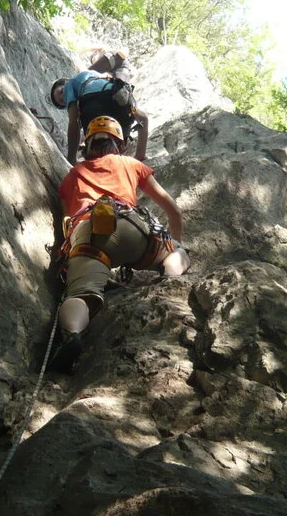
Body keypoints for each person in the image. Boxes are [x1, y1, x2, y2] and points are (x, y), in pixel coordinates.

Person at [49, 116, 190, 372]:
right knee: (176, 252)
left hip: (89, 232)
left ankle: (73, 334)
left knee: (81, 295)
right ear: (119, 145)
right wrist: (174, 244)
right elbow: (173, 211)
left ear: (87, 146)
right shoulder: (129, 163)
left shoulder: (73, 175)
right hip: (130, 225)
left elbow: (66, 222)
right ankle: (169, 278)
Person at [50, 71, 150, 165]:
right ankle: (140, 157)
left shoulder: (69, 84)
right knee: (117, 148)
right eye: (63, 101)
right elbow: (144, 118)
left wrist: (71, 159)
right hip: (119, 101)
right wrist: (139, 156)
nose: (64, 96)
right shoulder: (96, 77)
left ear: (64, 83)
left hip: (94, 104)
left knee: (96, 152)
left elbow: (74, 123)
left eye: (61, 92)